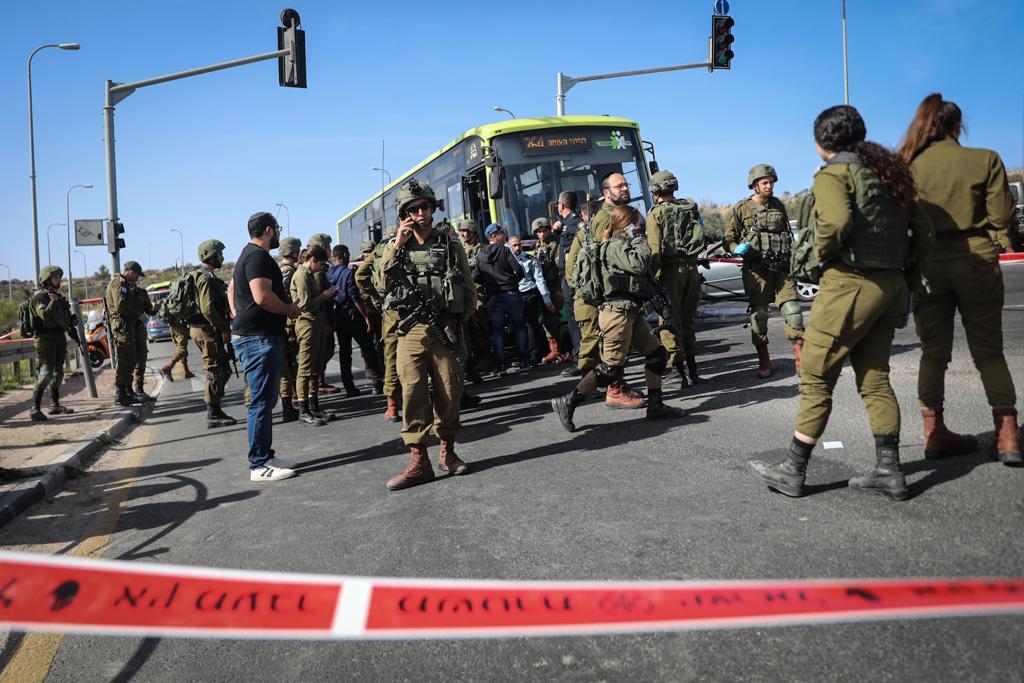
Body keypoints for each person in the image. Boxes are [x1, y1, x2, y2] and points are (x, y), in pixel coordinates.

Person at [750, 104, 934, 501]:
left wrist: (815, 260)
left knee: (816, 375)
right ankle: (889, 471)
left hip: (850, 286)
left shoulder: (835, 174)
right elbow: (924, 231)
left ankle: (793, 470)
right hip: (890, 289)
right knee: (875, 378)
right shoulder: (888, 176)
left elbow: (833, 224)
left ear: (821, 142)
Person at [896, 93, 1021, 466]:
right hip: (976, 259)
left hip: (929, 264)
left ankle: (935, 434)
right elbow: (1001, 217)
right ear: (957, 126)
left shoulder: (907, 166)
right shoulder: (984, 159)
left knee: (933, 353)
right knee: (989, 351)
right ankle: (1008, 437)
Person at [377, 179, 476, 490]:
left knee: (449, 391)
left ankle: (447, 453)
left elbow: (469, 290)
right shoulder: (392, 246)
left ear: (433, 208)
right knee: (413, 392)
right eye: (413, 209)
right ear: (404, 214)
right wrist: (397, 245)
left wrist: (459, 325)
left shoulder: (450, 245)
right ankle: (419, 461)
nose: (421, 212)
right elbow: (381, 285)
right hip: (409, 330)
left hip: (444, 328)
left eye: (425, 206)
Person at [551, 205, 684, 431]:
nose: (639, 227)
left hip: (630, 312)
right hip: (616, 314)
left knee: (656, 354)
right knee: (611, 368)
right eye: (636, 223)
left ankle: (655, 405)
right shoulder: (613, 245)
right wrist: (639, 237)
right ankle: (568, 401)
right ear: (627, 224)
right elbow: (639, 263)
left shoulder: (624, 245)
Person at [229, 211, 301, 482]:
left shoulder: (248, 255)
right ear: (269, 230)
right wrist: (289, 310)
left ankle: (265, 455)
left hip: (257, 336)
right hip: (258, 338)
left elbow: (232, 288)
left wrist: (238, 313)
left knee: (265, 400)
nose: (279, 233)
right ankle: (258, 464)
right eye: (278, 228)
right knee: (260, 402)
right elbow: (261, 295)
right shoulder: (257, 256)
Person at [565, 172, 647, 407]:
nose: (624, 188)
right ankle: (602, 392)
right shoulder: (605, 218)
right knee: (600, 344)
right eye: (619, 185)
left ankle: (607, 389)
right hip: (596, 296)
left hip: (603, 294)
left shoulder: (619, 215)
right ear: (606, 192)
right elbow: (600, 261)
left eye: (626, 184)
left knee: (616, 341)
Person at [726, 164, 805, 378]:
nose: (769, 186)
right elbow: (729, 239)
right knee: (759, 316)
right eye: (765, 183)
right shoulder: (742, 208)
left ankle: (801, 360)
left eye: (771, 182)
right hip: (757, 270)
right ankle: (764, 361)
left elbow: (786, 231)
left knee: (793, 312)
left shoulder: (778, 204)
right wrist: (736, 249)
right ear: (755, 185)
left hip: (781, 268)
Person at [646, 170, 706, 387]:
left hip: (671, 274)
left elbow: (654, 251)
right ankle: (694, 371)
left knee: (670, 322)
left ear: (655, 190)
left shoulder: (655, 214)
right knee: (689, 320)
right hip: (691, 270)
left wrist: (650, 279)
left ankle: (677, 372)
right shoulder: (689, 208)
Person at [189, 239, 237, 429]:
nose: (222, 257)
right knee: (215, 369)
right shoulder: (206, 278)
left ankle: (215, 406)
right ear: (211, 255)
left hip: (205, 329)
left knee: (223, 368)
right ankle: (213, 412)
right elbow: (208, 309)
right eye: (220, 254)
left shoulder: (204, 275)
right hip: (206, 330)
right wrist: (224, 328)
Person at [292, 245, 340, 425]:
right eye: (320, 264)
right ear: (312, 260)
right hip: (307, 325)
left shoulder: (308, 274)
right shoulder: (302, 275)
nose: (322, 267)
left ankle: (314, 405)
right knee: (305, 369)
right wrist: (325, 295)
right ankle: (304, 409)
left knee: (315, 367)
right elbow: (306, 304)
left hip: (316, 324)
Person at [326, 243, 380, 396]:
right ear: (343, 255)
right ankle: (377, 381)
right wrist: (366, 316)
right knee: (368, 348)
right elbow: (355, 297)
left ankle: (349, 386)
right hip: (353, 316)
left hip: (338, 317)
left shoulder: (328, 274)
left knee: (345, 352)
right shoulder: (348, 273)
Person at [357, 227, 399, 417]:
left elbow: (361, 276)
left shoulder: (378, 250)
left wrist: (378, 300)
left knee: (390, 357)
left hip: (390, 311)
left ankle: (392, 406)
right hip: (415, 309)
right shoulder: (408, 244)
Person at [476, 223, 529, 372]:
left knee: (497, 330)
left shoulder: (481, 255)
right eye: (501, 233)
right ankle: (524, 359)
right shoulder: (504, 250)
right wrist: (512, 282)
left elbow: (476, 276)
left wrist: (489, 285)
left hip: (493, 296)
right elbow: (518, 269)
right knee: (519, 326)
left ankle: (501, 363)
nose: (504, 236)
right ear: (494, 236)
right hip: (511, 293)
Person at [28, 266, 78, 421]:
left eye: (59, 277)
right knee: (46, 373)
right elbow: (44, 315)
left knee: (58, 373)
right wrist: (52, 302)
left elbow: (63, 317)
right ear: (47, 280)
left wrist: (72, 320)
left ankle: (54, 405)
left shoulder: (58, 297)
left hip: (58, 338)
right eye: (56, 277)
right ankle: (35, 409)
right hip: (45, 340)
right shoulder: (40, 298)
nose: (59, 280)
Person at [105, 261, 153, 406]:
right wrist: (138, 314)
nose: (137, 278)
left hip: (126, 326)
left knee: (131, 359)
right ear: (131, 272)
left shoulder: (124, 284)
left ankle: (126, 391)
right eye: (137, 275)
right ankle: (120, 393)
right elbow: (121, 306)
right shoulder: (119, 284)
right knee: (125, 359)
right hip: (122, 326)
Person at [508, 234, 554, 365]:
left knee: (530, 324)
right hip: (515, 295)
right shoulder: (506, 262)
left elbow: (539, 279)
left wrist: (546, 299)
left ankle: (534, 354)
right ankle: (522, 355)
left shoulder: (530, 259)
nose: (517, 247)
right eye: (514, 245)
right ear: (509, 247)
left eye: (519, 244)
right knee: (517, 325)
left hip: (530, 294)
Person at [459, 219, 494, 376]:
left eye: (465, 231)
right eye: (462, 231)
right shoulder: (462, 248)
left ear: (473, 232)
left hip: (479, 292)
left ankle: (487, 357)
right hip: (466, 293)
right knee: (470, 326)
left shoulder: (481, 249)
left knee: (482, 324)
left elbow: (478, 265)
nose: (462, 234)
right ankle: (477, 356)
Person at [553, 191, 583, 370]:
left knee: (574, 318)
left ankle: (580, 356)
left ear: (561, 206)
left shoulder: (573, 224)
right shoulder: (567, 224)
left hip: (571, 278)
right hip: (569, 276)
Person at [307, 233, 339, 395]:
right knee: (324, 350)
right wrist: (326, 322)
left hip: (321, 317)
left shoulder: (320, 267)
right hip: (320, 318)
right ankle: (318, 382)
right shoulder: (319, 271)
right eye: (328, 247)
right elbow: (319, 298)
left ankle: (319, 381)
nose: (330, 250)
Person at [276, 236, 302, 422]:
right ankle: (289, 403)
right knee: (288, 365)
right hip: (287, 323)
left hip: (285, 322)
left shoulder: (281, 269)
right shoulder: (288, 271)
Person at [532, 217, 564, 363]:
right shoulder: (537, 246)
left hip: (554, 286)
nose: (542, 234)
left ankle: (560, 350)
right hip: (542, 287)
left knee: (554, 319)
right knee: (546, 320)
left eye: (544, 230)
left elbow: (559, 267)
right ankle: (554, 349)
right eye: (539, 232)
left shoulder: (554, 245)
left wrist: (559, 288)